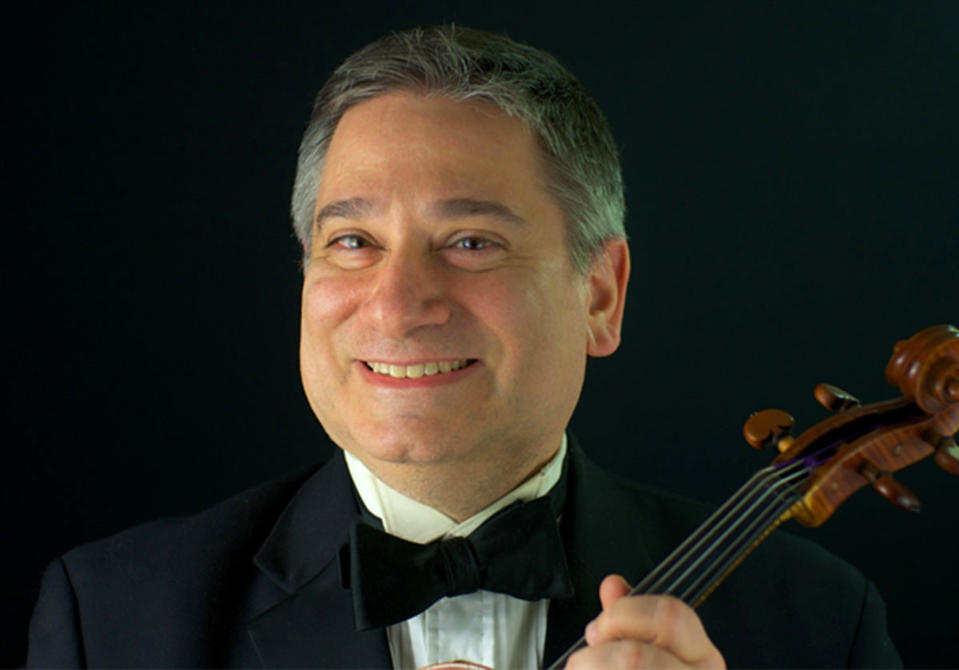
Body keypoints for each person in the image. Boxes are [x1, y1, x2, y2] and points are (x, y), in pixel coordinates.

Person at [26, 25, 901, 669]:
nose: (399, 305)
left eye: (472, 241)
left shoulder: (817, 624)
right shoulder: (110, 620)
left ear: (599, 293)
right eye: (353, 242)